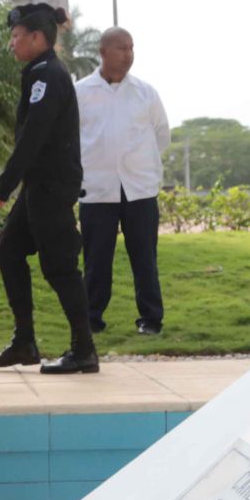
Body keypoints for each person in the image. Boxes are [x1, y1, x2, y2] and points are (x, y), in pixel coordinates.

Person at [0, 3, 97, 374]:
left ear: (36, 37)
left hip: (51, 185)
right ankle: (25, 342)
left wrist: (3, 185)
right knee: (8, 252)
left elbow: (34, 136)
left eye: (16, 37)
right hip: (39, 184)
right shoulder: (38, 72)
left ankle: (84, 350)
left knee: (60, 267)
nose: (11, 44)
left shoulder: (47, 75)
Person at [75, 27, 170, 336]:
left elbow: (161, 135)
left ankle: (151, 319)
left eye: (131, 48)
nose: (128, 55)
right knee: (96, 260)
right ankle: (91, 318)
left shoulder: (146, 93)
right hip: (96, 190)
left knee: (145, 258)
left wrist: (139, 164)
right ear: (103, 52)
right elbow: (71, 138)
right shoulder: (81, 92)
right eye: (121, 49)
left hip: (139, 190)